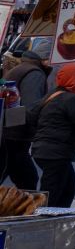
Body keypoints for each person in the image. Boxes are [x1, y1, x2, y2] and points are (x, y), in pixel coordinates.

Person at [26, 64, 75, 207]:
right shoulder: (72, 100)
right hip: (56, 153)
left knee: (69, 186)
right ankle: (44, 221)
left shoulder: (53, 94)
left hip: (43, 149)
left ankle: (59, 216)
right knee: (52, 192)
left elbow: (32, 115)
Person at [2, 39, 51, 189]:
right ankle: (27, 209)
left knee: (26, 178)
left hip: (10, 132)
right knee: (27, 179)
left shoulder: (23, 67)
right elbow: (31, 108)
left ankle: (24, 208)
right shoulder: (34, 74)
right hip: (14, 135)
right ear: (45, 59)